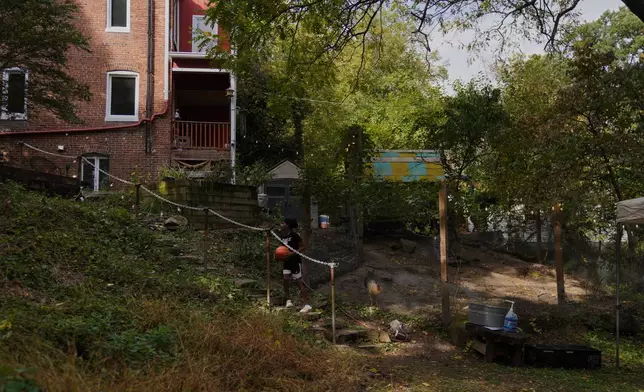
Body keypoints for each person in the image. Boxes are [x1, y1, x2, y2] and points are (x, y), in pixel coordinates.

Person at [279, 217, 311, 313]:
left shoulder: (295, 235)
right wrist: (278, 255)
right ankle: (288, 300)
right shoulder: (282, 235)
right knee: (285, 279)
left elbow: (304, 246)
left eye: (283, 223)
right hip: (286, 262)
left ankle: (306, 304)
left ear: (288, 225)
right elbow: (281, 249)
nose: (281, 224)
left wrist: (293, 253)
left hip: (295, 261)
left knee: (299, 282)